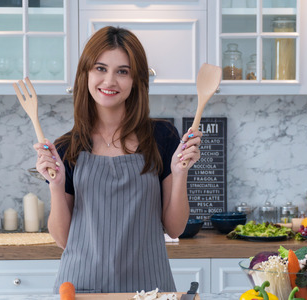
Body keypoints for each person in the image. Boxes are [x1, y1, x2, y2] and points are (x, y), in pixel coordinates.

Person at [33, 26, 202, 294]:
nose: (109, 81)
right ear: (85, 74)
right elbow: (64, 240)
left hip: (149, 290)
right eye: (100, 68)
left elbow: (175, 228)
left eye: (122, 71)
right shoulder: (67, 147)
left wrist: (180, 173)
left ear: (136, 80)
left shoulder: (161, 136)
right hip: (81, 288)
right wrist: (56, 184)